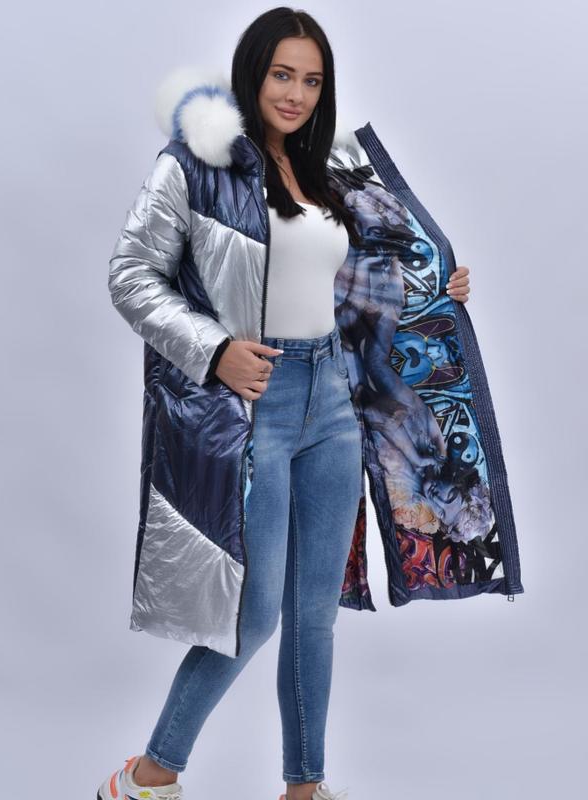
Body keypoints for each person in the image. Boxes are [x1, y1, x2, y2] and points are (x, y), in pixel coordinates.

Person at [95, 6, 525, 800]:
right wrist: (214, 349)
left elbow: (365, 276)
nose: (295, 93)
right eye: (282, 74)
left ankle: (304, 788)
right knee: (256, 613)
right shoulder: (196, 163)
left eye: (312, 79)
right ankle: (148, 776)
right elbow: (130, 276)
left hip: (332, 401)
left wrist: (439, 285)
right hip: (254, 402)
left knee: (314, 614)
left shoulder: (332, 166)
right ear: (252, 73)